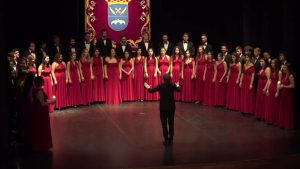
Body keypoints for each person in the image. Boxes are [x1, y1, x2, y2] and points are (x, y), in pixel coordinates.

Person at [144, 74, 181, 146]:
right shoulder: (173, 85)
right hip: (171, 108)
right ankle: (171, 140)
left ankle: (166, 140)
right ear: (170, 79)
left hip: (163, 108)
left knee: (164, 125)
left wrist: (147, 87)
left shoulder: (160, 86)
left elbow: (151, 91)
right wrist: (177, 85)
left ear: (163, 79)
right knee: (171, 124)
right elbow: (179, 89)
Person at [31, 76, 56, 151]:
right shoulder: (39, 91)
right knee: (42, 128)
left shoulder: (37, 90)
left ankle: (41, 145)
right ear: (40, 82)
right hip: (41, 113)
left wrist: (50, 100)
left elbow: (43, 100)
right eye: (42, 81)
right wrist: (52, 101)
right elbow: (42, 104)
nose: (44, 82)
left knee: (41, 128)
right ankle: (42, 146)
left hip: (40, 112)